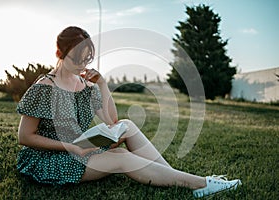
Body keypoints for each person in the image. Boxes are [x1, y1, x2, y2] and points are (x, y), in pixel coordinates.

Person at [16, 26, 241, 198]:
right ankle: (201, 184)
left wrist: (102, 84)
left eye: (87, 59)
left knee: (126, 125)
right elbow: (25, 137)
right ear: (59, 53)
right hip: (50, 158)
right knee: (122, 158)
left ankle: (174, 177)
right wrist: (71, 146)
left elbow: (111, 120)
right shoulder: (44, 88)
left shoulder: (85, 85)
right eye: (77, 59)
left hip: (78, 146)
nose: (82, 65)